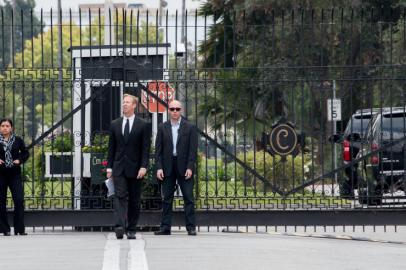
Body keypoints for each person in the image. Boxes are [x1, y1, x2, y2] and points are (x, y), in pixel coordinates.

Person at [107, 94, 151, 239]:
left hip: (136, 168)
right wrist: (109, 168)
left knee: (134, 199)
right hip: (119, 167)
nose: (124, 104)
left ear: (134, 106)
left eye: (127, 102)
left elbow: (145, 148)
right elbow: (111, 148)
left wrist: (144, 166)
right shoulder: (115, 124)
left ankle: (131, 228)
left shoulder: (143, 125)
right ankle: (120, 226)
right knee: (119, 197)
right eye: (123, 102)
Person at [154, 100, 198, 236]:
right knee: (167, 198)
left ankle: (191, 227)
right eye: (172, 109)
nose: (174, 111)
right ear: (168, 110)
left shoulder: (189, 127)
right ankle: (165, 227)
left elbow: (192, 150)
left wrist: (190, 167)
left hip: (184, 166)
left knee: (188, 198)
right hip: (167, 166)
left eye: (177, 109)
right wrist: (159, 167)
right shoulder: (162, 127)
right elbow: (158, 151)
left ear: (181, 111)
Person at [0, 118, 29, 236]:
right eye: (2, 126)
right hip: (0, 174)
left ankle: (19, 229)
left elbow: (26, 152)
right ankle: (4, 229)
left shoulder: (17, 140)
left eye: (7, 126)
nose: (5, 128)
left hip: (14, 174)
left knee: (18, 199)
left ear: (11, 128)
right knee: (1, 201)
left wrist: (19, 160)